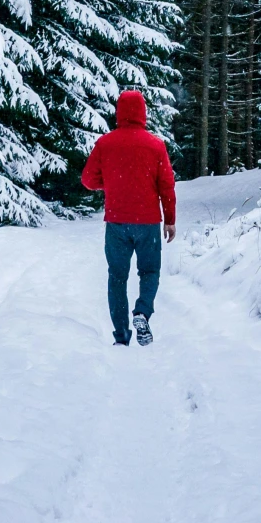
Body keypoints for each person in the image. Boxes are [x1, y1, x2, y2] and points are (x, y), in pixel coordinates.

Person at [80, 89, 177, 346]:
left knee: (117, 277)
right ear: (143, 113)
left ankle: (121, 336)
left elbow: (88, 180)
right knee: (150, 271)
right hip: (147, 223)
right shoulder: (156, 145)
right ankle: (142, 312)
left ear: (119, 112)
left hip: (116, 222)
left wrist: (110, 183)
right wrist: (170, 219)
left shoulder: (106, 143)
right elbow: (166, 185)